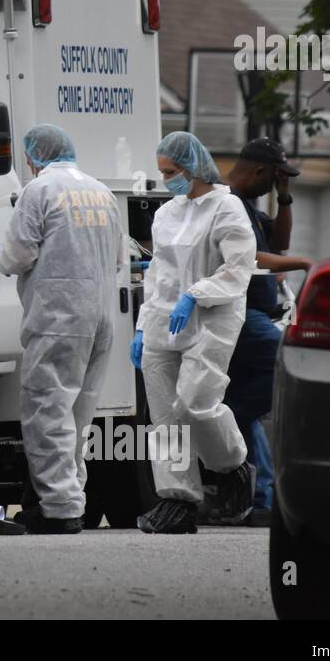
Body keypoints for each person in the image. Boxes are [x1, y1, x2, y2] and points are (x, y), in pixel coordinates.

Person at [0, 124, 123, 535]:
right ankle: (71, 499)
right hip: (100, 317)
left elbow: (17, 254)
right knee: (77, 416)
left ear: (34, 156)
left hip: (59, 318)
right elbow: (120, 258)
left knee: (46, 410)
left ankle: (60, 509)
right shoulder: (101, 191)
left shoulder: (39, 191)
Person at [132, 131, 257, 534]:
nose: (167, 179)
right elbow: (158, 273)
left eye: (171, 171)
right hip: (162, 319)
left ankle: (232, 466)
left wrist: (196, 295)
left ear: (192, 167)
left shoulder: (227, 208)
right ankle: (177, 502)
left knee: (195, 402)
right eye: (163, 172)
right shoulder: (166, 213)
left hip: (212, 316)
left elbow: (238, 269)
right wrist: (141, 326)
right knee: (165, 416)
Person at [221, 137, 313, 522]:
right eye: (274, 178)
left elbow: (278, 240)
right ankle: (262, 494)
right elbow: (252, 256)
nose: (274, 186)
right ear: (259, 172)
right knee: (288, 362)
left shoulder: (251, 207)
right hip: (241, 314)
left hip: (259, 311)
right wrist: (303, 263)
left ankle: (261, 498)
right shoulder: (226, 205)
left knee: (242, 410)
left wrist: (285, 196)